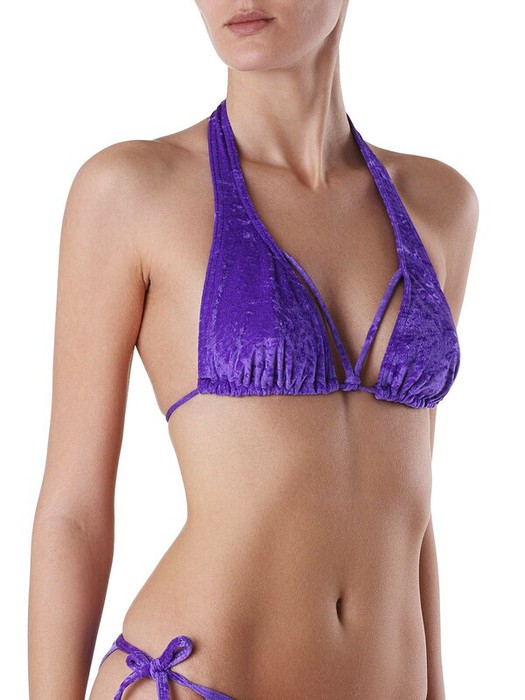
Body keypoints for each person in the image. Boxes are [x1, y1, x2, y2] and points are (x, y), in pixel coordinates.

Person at [28, 1, 478, 698]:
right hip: (197, 680)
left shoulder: (441, 205)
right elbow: (74, 512)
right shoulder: (132, 190)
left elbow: (407, 499)